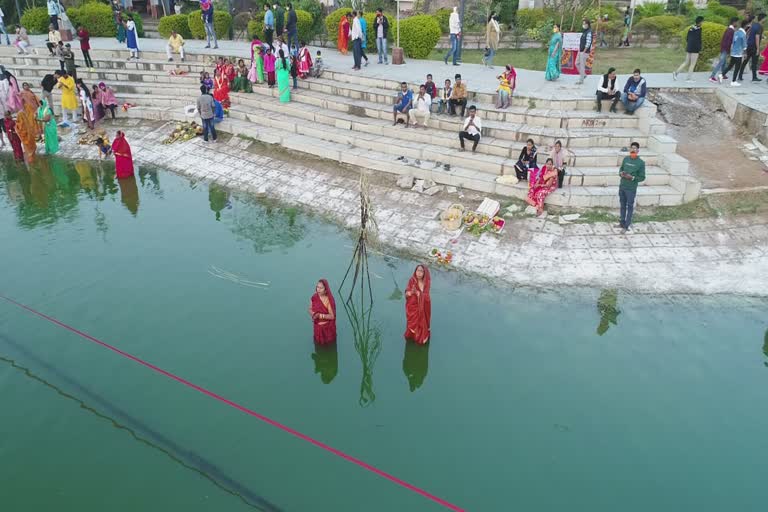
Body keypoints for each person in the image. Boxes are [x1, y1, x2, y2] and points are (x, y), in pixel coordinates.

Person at [617, 141, 645, 234]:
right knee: (622, 205)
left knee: (629, 206)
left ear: (638, 151)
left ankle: (626, 225)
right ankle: (621, 222)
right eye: (632, 148)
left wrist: (632, 177)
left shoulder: (640, 163)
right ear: (630, 150)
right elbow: (621, 169)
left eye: (635, 149)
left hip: (631, 189)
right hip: (622, 186)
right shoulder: (626, 159)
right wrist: (621, 173)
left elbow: (642, 177)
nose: (633, 150)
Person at [404, 264, 431, 345]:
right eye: (417, 270)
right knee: (413, 323)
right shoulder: (412, 280)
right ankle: (412, 336)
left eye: (421, 271)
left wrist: (419, 294)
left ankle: (421, 337)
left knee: (422, 322)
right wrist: (411, 292)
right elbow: (406, 293)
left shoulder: (427, 282)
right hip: (413, 307)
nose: (419, 273)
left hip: (424, 307)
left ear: (424, 273)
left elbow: (426, 296)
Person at [674, 15, 704, 82]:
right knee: (692, 64)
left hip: (689, 47)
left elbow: (687, 38)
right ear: (700, 22)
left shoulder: (691, 28)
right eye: (702, 21)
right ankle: (688, 78)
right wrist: (699, 48)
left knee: (686, 62)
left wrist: (690, 45)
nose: (703, 23)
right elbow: (698, 40)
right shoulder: (699, 29)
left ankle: (676, 73)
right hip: (695, 49)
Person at [309, 279, 336, 345]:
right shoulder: (314, 297)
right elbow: (310, 309)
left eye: (321, 288)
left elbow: (332, 316)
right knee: (318, 345)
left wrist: (319, 315)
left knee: (330, 346)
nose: (318, 289)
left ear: (325, 289)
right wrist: (313, 315)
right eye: (317, 287)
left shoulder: (328, 300)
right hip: (317, 328)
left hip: (327, 330)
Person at [711, 17, 738, 83]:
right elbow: (729, 41)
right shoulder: (731, 30)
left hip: (724, 48)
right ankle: (712, 76)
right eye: (737, 22)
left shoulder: (729, 29)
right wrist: (729, 50)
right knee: (721, 62)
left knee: (724, 62)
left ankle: (723, 74)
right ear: (734, 22)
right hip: (725, 48)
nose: (737, 23)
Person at [722, 20, 748, 87]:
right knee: (737, 67)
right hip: (738, 53)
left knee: (730, 66)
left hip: (733, 52)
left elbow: (733, 42)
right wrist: (745, 53)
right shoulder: (743, 34)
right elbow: (744, 44)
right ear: (746, 26)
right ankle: (733, 81)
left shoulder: (736, 32)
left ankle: (721, 75)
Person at [740, 12, 764, 82]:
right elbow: (757, 37)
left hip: (749, 45)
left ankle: (740, 75)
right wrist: (758, 49)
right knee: (754, 62)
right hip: (754, 47)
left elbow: (748, 33)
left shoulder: (753, 25)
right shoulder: (759, 26)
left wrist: (748, 39)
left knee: (745, 61)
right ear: (762, 19)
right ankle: (754, 77)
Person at [576, 19, 593, 84]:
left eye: (584, 24)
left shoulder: (589, 32)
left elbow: (588, 43)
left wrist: (584, 51)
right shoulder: (584, 31)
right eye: (583, 24)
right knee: (577, 63)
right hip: (580, 50)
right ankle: (584, 75)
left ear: (587, 24)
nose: (583, 25)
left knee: (582, 65)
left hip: (584, 51)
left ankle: (581, 80)